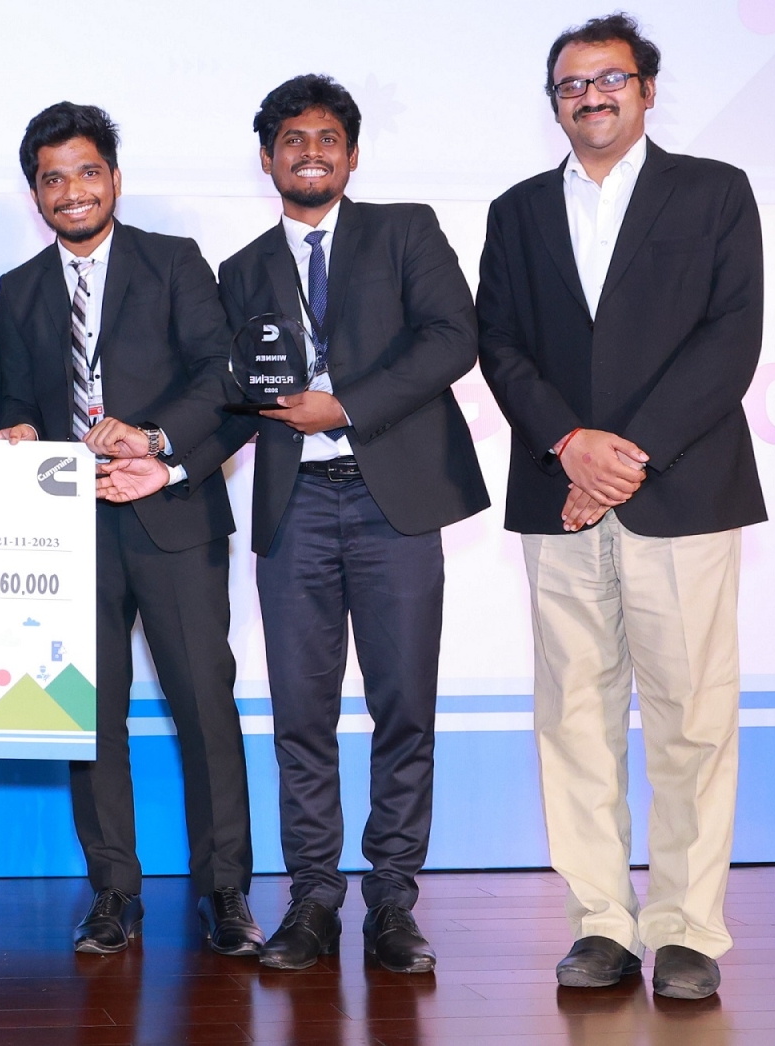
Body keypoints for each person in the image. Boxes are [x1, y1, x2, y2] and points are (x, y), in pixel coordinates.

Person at [475, 13, 765, 1001]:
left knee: (690, 722)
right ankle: (599, 922)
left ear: (645, 88)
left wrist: (624, 458)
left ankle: (685, 929)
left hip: (679, 491)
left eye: (608, 78)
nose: (589, 95)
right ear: (552, 100)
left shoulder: (713, 192)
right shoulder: (515, 211)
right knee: (574, 718)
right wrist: (568, 445)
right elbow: (498, 344)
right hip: (555, 496)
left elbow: (729, 338)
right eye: (569, 83)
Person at [216, 75, 489, 974]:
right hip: (294, 509)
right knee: (302, 714)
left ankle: (395, 902)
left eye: (328, 138)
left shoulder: (403, 230)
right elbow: (229, 394)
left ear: (352, 154)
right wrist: (159, 450)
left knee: (404, 708)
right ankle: (313, 898)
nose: (310, 153)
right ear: (268, 158)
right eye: (293, 139)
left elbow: (454, 337)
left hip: (393, 502)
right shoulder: (242, 269)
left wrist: (346, 407)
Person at [0, 103, 259, 956]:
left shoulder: (175, 262)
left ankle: (226, 893)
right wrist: (16, 428)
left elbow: (221, 376)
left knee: (203, 709)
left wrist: (153, 438)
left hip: (170, 516)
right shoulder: (19, 289)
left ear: (114, 176)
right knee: (88, 718)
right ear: (35, 190)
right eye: (52, 178)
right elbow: (11, 401)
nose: (71, 191)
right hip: (65, 533)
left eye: (86, 172)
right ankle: (113, 891)